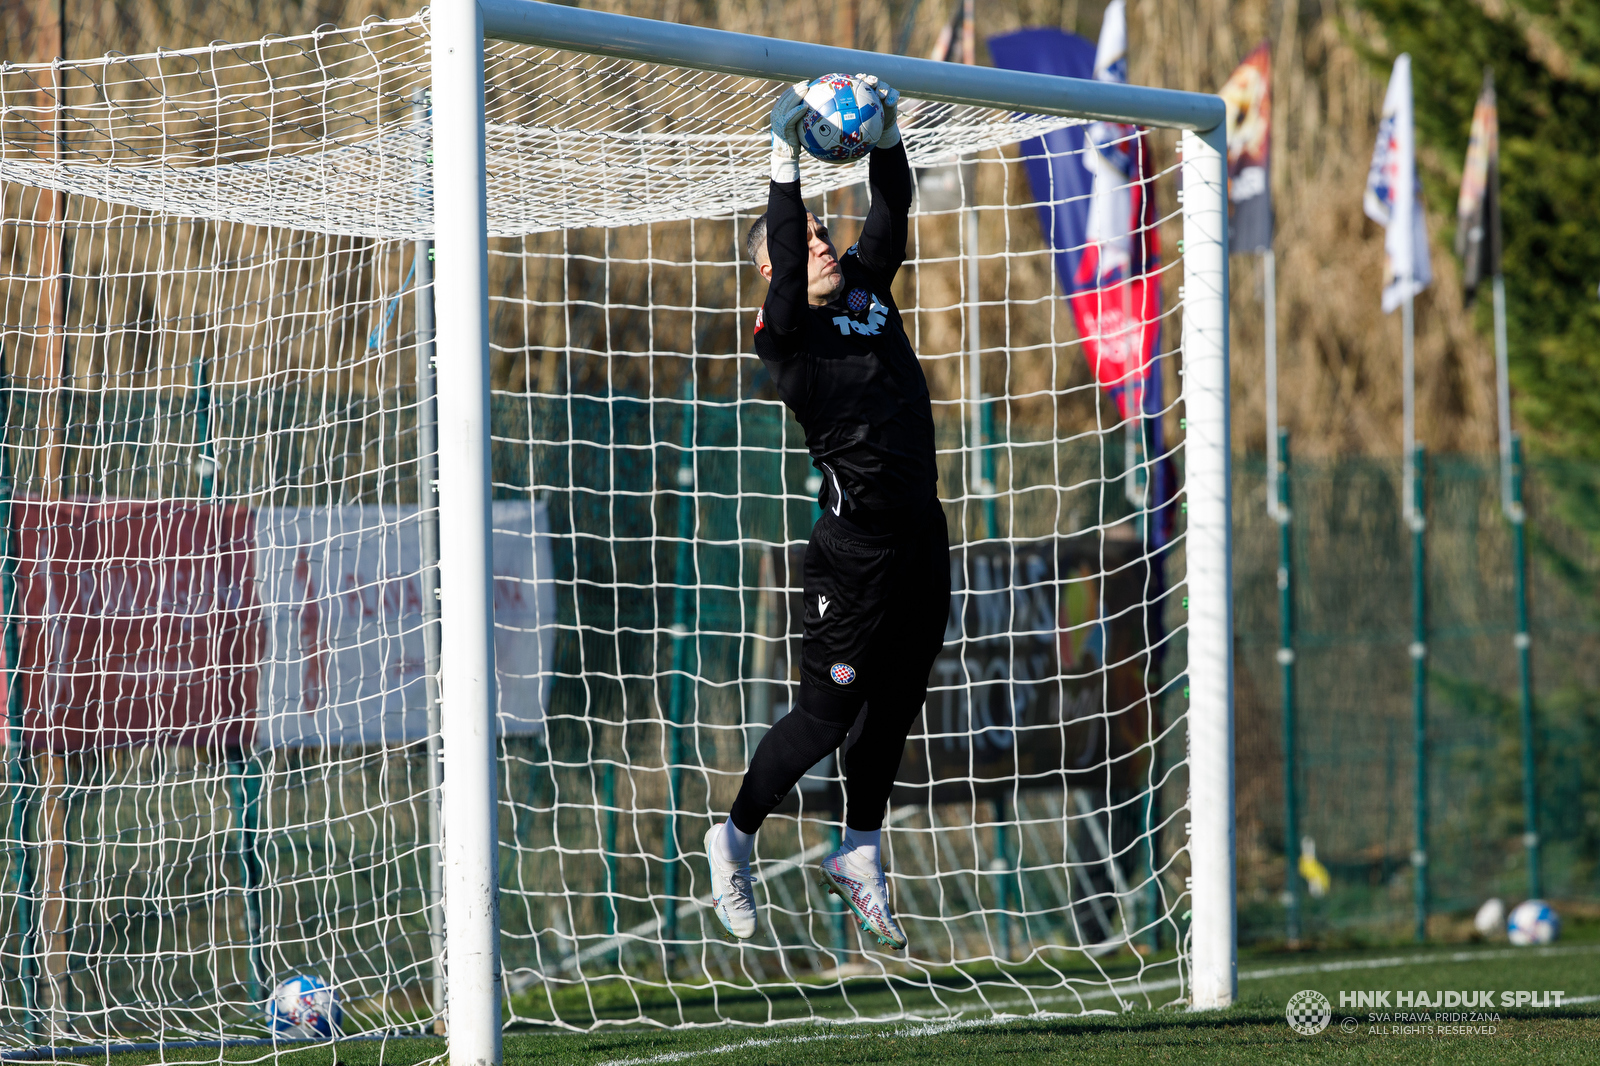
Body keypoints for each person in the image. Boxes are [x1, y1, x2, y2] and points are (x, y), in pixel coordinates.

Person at [702, 77, 951, 950]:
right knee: (825, 717)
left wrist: (885, 133)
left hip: (923, 534)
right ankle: (730, 839)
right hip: (852, 555)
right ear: (770, 270)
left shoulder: (865, 292)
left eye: (820, 231)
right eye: (801, 239)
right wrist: (783, 158)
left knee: (899, 701)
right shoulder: (785, 341)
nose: (818, 239)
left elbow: (892, 201)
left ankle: (859, 850)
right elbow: (784, 230)